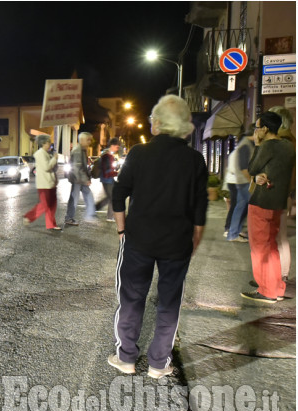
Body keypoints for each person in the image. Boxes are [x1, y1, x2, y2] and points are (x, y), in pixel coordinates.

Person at [108, 95, 208, 379]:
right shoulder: (195, 159)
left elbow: (119, 193)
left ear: (160, 123)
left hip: (138, 239)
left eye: (153, 118)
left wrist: (121, 230)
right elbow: (200, 205)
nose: (151, 122)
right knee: (169, 302)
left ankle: (126, 357)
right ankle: (158, 364)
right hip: (178, 242)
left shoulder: (139, 153)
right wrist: (195, 237)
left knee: (131, 297)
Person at [241, 111, 295, 303]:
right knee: (272, 247)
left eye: (257, 127)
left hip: (262, 202)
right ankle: (277, 288)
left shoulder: (267, 146)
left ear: (264, 129)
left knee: (259, 248)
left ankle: (266, 290)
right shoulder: (289, 146)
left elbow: (253, 168)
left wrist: (257, 145)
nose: (256, 131)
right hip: (278, 202)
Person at [268, 106, 295, 283]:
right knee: (281, 236)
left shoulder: (282, 141)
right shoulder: (290, 139)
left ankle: (278, 275)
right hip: (286, 192)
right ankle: (281, 274)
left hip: (278, 192)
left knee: (277, 237)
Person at [223, 128, 255, 242]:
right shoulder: (245, 146)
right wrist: (251, 181)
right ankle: (233, 232)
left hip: (240, 181)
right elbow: (243, 168)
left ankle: (233, 232)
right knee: (241, 207)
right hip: (242, 182)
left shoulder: (244, 145)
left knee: (241, 207)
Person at [23, 134, 60, 230]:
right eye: (48, 142)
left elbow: (53, 167)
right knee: (45, 204)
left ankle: (51, 224)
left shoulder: (47, 153)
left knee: (52, 204)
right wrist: (54, 159)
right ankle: (29, 217)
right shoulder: (40, 154)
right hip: (44, 184)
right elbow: (46, 167)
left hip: (50, 182)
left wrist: (55, 159)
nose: (50, 144)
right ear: (43, 143)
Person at [64, 132, 96, 226]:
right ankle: (69, 218)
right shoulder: (78, 150)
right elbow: (77, 168)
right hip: (77, 179)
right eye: (88, 140)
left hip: (79, 179)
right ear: (82, 140)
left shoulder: (82, 150)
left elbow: (82, 166)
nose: (89, 142)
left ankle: (90, 215)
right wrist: (84, 180)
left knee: (85, 195)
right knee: (74, 198)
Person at [100, 138, 121, 222]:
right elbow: (106, 171)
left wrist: (114, 172)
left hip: (108, 179)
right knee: (112, 198)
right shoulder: (107, 155)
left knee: (110, 197)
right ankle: (109, 216)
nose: (117, 149)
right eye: (117, 147)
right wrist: (116, 173)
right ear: (112, 146)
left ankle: (97, 208)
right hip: (107, 179)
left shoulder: (108, 154)